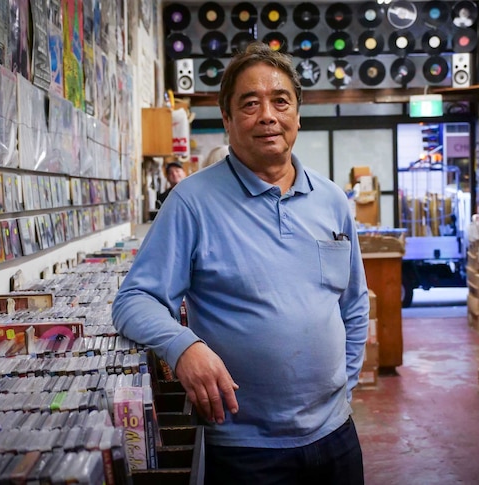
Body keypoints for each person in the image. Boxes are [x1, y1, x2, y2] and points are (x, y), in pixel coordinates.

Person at [112, 42, 369, 485]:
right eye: (249, 104)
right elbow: (134, 300)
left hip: (336, 437)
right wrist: (184, 346)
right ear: (227, 119)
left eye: (280, 101)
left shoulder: (331, 200)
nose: (267, 115)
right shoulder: (191, 202)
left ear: (297, 115)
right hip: (244, 449)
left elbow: (354, 303)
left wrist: (343, 387)